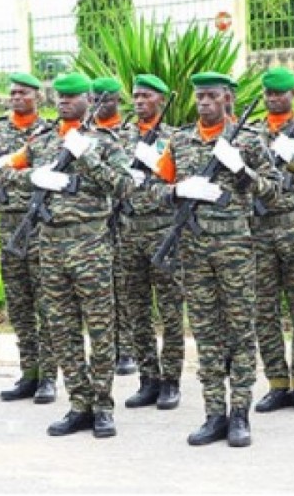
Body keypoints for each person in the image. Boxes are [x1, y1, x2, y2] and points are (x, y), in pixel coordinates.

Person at [146, 71, 285, 448]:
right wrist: (177, 190)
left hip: (236, 251)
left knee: (240, 331)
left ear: (227, 99)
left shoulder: (249, 141)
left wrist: (243, 172)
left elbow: (275, 192)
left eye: (212, 97)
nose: (205, 103)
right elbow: (151, 189)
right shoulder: (180, 141)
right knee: (206, 334)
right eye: (200, 97)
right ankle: (213, 413)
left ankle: (240, 412)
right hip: (193, 251)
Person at [0, 72, 131, 439]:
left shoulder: (103, 142)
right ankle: (78, 404)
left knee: (101, 329)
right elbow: (3, 170)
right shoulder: (41, 142)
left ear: (89, 100)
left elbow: (126, 186)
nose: (64, 103)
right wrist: (35, 178)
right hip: (50, 247)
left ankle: (103, 407)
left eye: (72, 98)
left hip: (90, 246)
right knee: (62, 329)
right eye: (60, 98)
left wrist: (86, 158)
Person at [249, 67, 294, 415]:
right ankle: (277, 383)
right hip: (260, 227)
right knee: (264, 309)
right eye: (269, 94)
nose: (274, 98)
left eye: (280, 93)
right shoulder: (252, 134)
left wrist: (289, 154)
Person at [0, 72, 58, 404]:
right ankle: (29, 372)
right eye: (12, 92)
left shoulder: (51, 133)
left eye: (22, 93)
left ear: (37, 98)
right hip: (9, 224)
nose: (15, 97)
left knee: (46, 301)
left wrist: (12, 173)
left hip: (42, 223)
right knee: (19, 301)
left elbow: (53, 175)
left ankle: (49, 376)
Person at [116, 74, 184, 412]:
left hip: (163, 230)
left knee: (170, 308)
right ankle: (148, 378)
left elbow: (183, 181)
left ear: (161, 100)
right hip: (129, 230)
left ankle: (171, 379)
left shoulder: (175, 139)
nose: (139, 102)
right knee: (136, 308)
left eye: (146, 97)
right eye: (136, 97)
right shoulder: (121, 138)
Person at [90, 76, 138, 377]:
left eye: (104, 99)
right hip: (96, 221)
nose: (98, 104)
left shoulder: (129, 133)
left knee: (124, 285)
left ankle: (127, 348)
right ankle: (108, 346)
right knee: (102, 287)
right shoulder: (87, 135)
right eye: (94, 98)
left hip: (127, 219)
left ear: (117, 101)